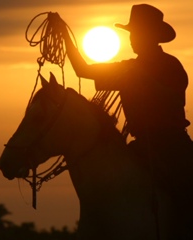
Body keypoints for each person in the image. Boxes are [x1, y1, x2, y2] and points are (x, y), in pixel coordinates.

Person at [60, 3, 193, 238]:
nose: (131, 39)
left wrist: (143, 79)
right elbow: (83, 70)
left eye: (136, 33)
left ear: (150, 36)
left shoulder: (171, 65)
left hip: (173, 146)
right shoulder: (128, 69)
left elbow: (173, 95)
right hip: (141, 145)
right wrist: (64, 35)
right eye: (131, 34)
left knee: (187, 191)